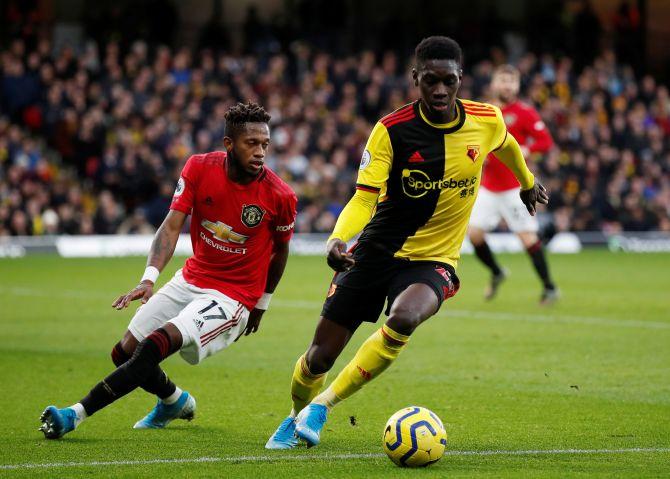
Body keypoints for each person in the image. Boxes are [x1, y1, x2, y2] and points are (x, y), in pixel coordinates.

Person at [265, 36, 549, 449]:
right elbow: (364, 198)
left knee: (404, 317)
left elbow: (507, 146)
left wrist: (527, 183)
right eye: (429, 80)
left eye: (447, 81)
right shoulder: (391, 131)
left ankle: (322, 406)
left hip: (434, 259)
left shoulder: (486, 119)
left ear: (460, 80)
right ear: (416, 78)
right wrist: (338, 237)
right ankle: (294, 414)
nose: (439, 90)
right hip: (376, 251)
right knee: (317, 358)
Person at [39, 102, 297, 439]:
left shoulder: (280, 195)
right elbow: (171, 226)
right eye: (251, 143)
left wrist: (261, 303)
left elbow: (281, 251)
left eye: (265, 144)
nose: (261, 151)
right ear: (229, 144)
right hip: (192, 278)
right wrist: (149, 279)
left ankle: (74, 414)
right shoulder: (199, 168)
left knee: (155, 345)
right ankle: (174, 401)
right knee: (125, 352)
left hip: (233, 296)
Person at [468, 65, 558, 304]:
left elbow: (546, 142)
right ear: (493, 84)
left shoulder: (525, 112)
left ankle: (549, 288)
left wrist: (527, 149)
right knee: (474, 235)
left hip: (514, 188)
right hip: (487, 187)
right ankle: (497, 272)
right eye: (502, 80)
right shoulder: (483, 110)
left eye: (511, 81)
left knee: (528, 240)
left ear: (517, 86)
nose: (507, 85)